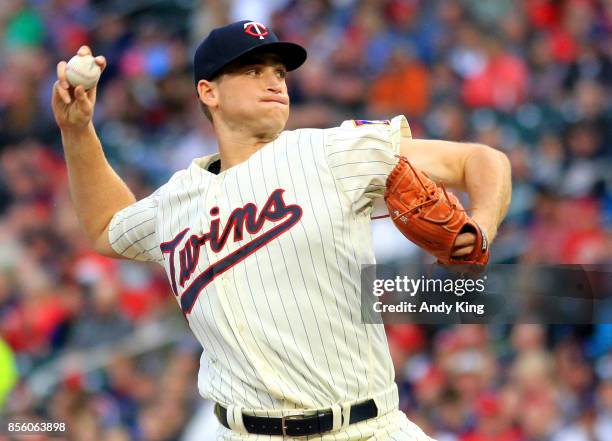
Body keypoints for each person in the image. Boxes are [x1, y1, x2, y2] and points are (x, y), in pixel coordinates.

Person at [52, 20, 511, 440]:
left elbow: (481, 160)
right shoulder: (176, 201)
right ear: (209, 92)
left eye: (280, 72)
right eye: (253, 71)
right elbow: (106, 227)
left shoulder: (332, 150)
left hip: (366, 427)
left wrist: (483, 227)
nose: (274, 81)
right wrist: (77, 131)